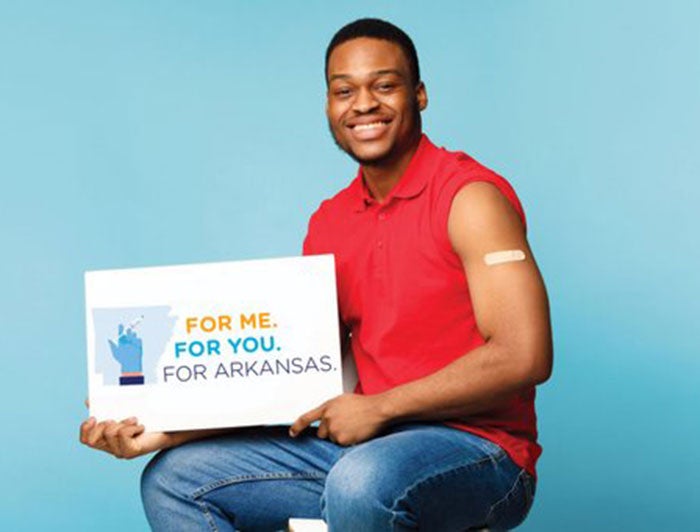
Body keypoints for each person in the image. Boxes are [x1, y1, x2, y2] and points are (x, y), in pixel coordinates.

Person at [80, 18, 552, 531]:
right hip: (367, 449)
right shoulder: (329, 222)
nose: (364, 104)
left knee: (362, 482)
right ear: (329, 106)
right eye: (344, 90)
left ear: (419, 95)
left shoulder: (469, 199)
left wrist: (381, 406)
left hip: (481, 453)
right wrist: (162, 429)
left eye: (385, 85)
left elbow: (524, 354)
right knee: (175, 480)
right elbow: (298, 377)